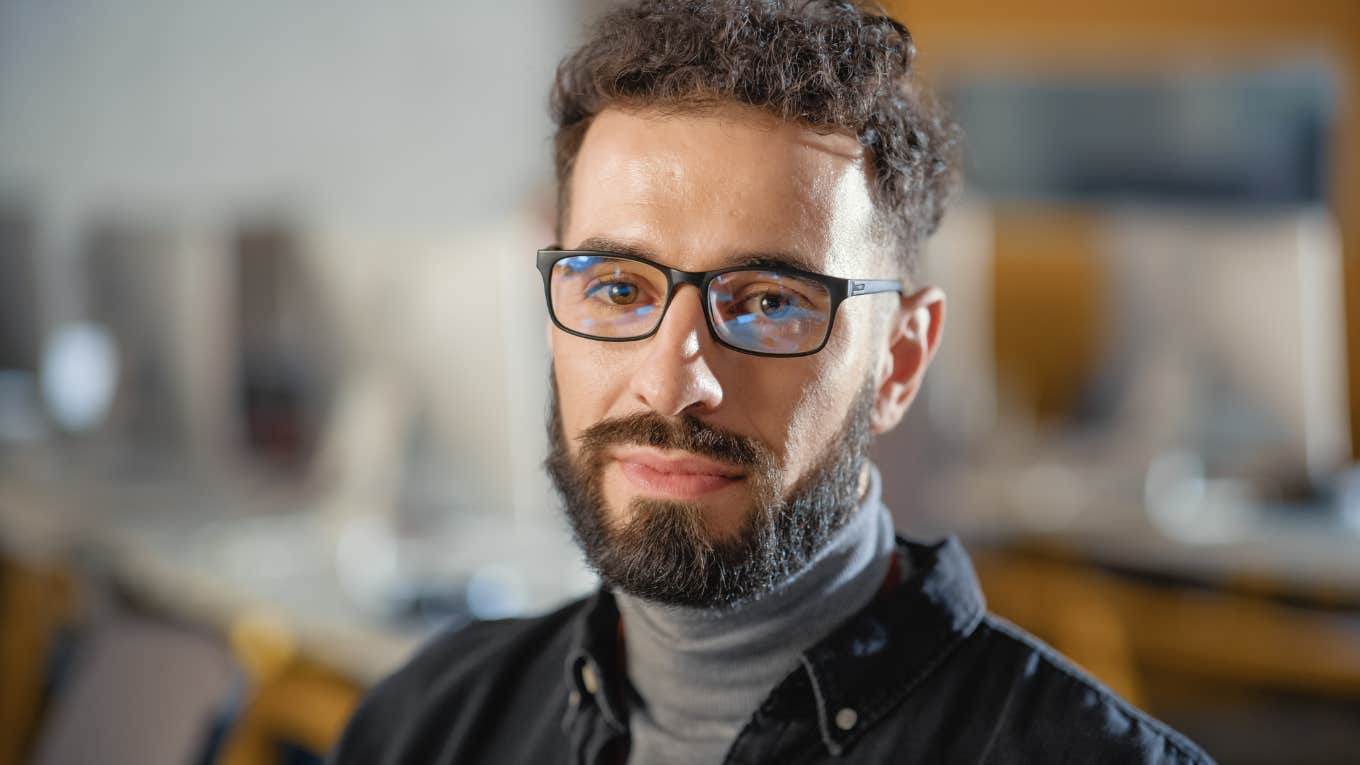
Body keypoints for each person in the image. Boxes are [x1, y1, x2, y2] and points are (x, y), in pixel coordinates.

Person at [330, 1, 1214, 763]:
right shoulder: (425, 723)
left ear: (899, 360)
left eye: (768, 302)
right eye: (617, 287)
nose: (671, 385)